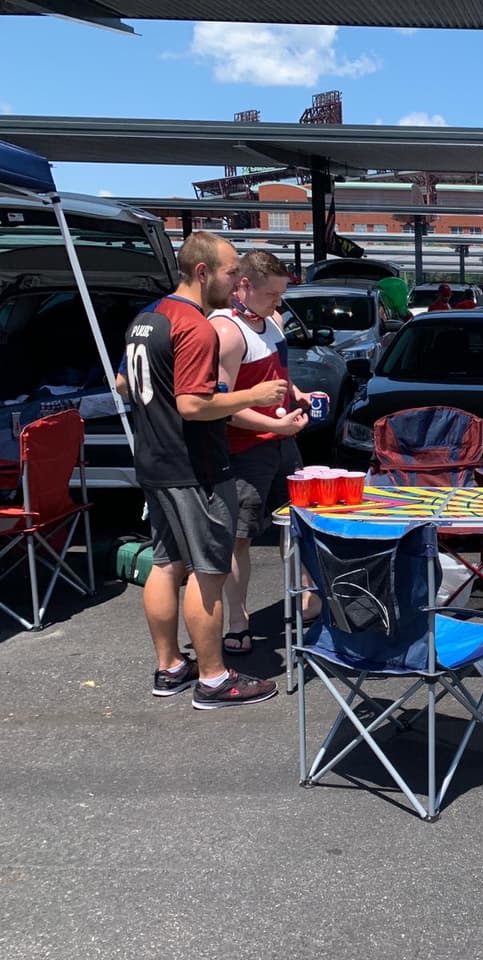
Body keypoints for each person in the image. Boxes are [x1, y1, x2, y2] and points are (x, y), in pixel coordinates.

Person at [117, 231, 287, 709]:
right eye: (232, 271)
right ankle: (213, 678)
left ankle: (170, 667)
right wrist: (255, 396)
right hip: (195, 467)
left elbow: (123, 382)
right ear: (202, 272)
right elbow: (194, 404)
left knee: (166, 563)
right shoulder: (195, 325)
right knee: (207, 571)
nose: (237, 282)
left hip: (153, 460)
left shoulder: (147, 319)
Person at [209, 250, 317, 656]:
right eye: (272, 294)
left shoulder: (269, 321)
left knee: (301, 523)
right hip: (245, 451)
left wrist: (297, 393)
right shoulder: (226, 331)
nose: (279, 303)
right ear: (243, 286)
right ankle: (237, 622)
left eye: (281, 294)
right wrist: (274, 425)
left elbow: (276, 375)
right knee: (239, 539)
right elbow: (222, 406)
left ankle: (308, 597)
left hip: (281, 443)